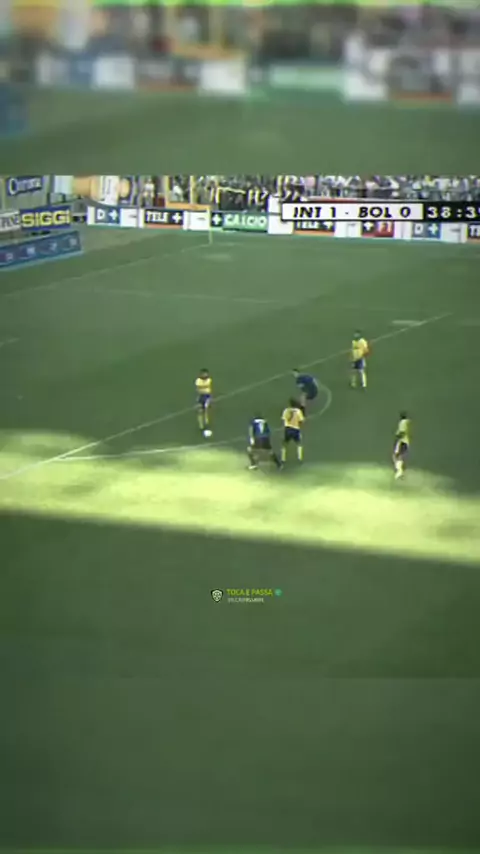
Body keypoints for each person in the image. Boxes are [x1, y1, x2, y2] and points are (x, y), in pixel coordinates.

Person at [281, 399, 305, 464]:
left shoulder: (286, 410)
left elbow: (283, 420)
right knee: (299, 444)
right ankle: (300, 458)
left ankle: (283, 459)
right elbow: (301, 421)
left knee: (284, 444)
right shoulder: (298, 411)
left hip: (288, 429)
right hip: (296, 429)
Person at [393, 411, 410, 479]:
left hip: (402, 441)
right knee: (400, 456)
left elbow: (402, 432)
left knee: (397, 455)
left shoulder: (403, 422)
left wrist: (397, 435)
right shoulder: (408, 423)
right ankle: (400, 471)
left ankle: (399, 472)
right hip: (406, 442)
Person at [195, 368, 212, 437]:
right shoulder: (198, 381)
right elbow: (198, 389)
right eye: (203, 373)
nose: (205, 375)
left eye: (206, 373)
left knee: (206, 410)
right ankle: (201, 425)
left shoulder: (209, 380)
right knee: (200, 411)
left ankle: (206, 423)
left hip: (207, 396)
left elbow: (208, 389)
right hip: (201, 396)